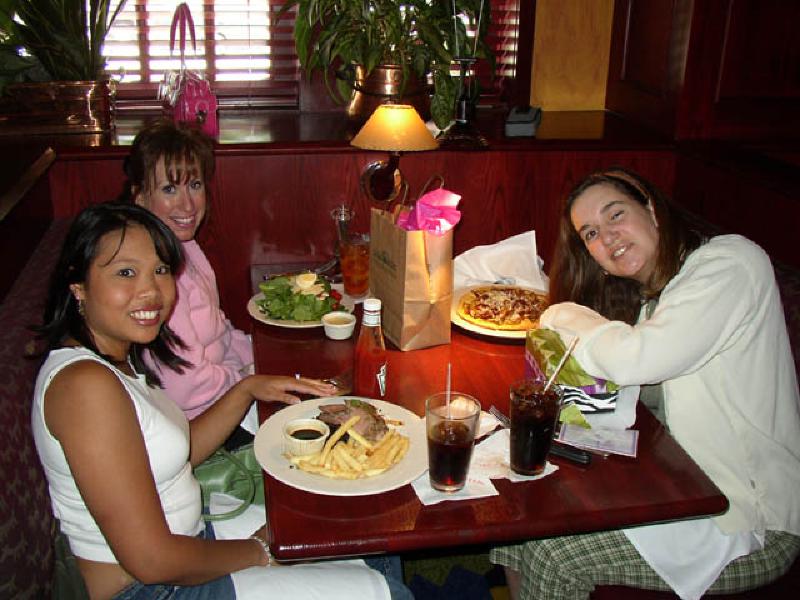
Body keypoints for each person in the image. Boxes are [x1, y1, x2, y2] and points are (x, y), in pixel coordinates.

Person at [31, 203, 403, 600]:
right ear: (78, 285)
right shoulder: (85, 386)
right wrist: (259, 551)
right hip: (150, 588)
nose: (151, 290)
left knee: (365, 536)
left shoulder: (115, 360)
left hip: (184, 541)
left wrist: (245, 389)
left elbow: (176, 452)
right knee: (391, 593)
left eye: (160, 270)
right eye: (125, 272)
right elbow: (151, 561)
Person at [490, 167, 800, 600]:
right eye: (592, 234)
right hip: (678, 481)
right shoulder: (657, 294)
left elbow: (639, 359)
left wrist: (564, 314)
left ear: (651, 208)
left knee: (555, 554)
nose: (608, 237)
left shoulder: (730, 263)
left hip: (747, 517)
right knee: (521, 514)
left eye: (616, 214)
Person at [120, 120, 258, 437]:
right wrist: (245, 379)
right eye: (169, 189)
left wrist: (260, 357)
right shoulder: (155, 276)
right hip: (201, 422)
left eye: (194, 185)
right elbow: (184, 386)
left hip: (225, 397)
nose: (188, 204)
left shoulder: (185, 248)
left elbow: (221, 329)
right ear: (140, 197)